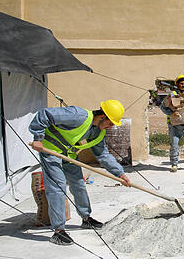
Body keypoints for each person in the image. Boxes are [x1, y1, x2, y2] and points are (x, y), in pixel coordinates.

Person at [28, 100, 131, 246]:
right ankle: (58, 231)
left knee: (78, 184)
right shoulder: (78, 115)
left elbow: (103, 155)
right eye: (111, 122)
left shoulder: (98, 132)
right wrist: (38, 138)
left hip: (68, 154)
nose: (111, 126)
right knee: (58, 187)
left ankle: (86, 218)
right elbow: (44, 114)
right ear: (102, 116)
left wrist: (120, 174)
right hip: (50, 150)